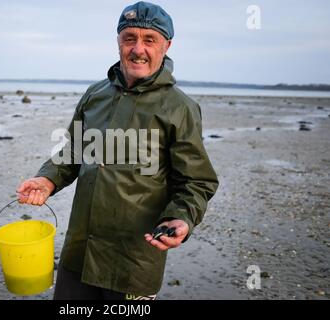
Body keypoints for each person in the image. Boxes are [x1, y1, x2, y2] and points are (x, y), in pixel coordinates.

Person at [17, 1, 219, 300]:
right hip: (79, 253)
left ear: (167, 45)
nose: (138, 49)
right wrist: (47, 179)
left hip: (134, 263)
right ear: (118, 42)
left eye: (149, 40)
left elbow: (197, 181)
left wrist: (181, 218)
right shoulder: (95, 94)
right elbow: (73, 151)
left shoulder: (180, 108)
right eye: (130, 38)